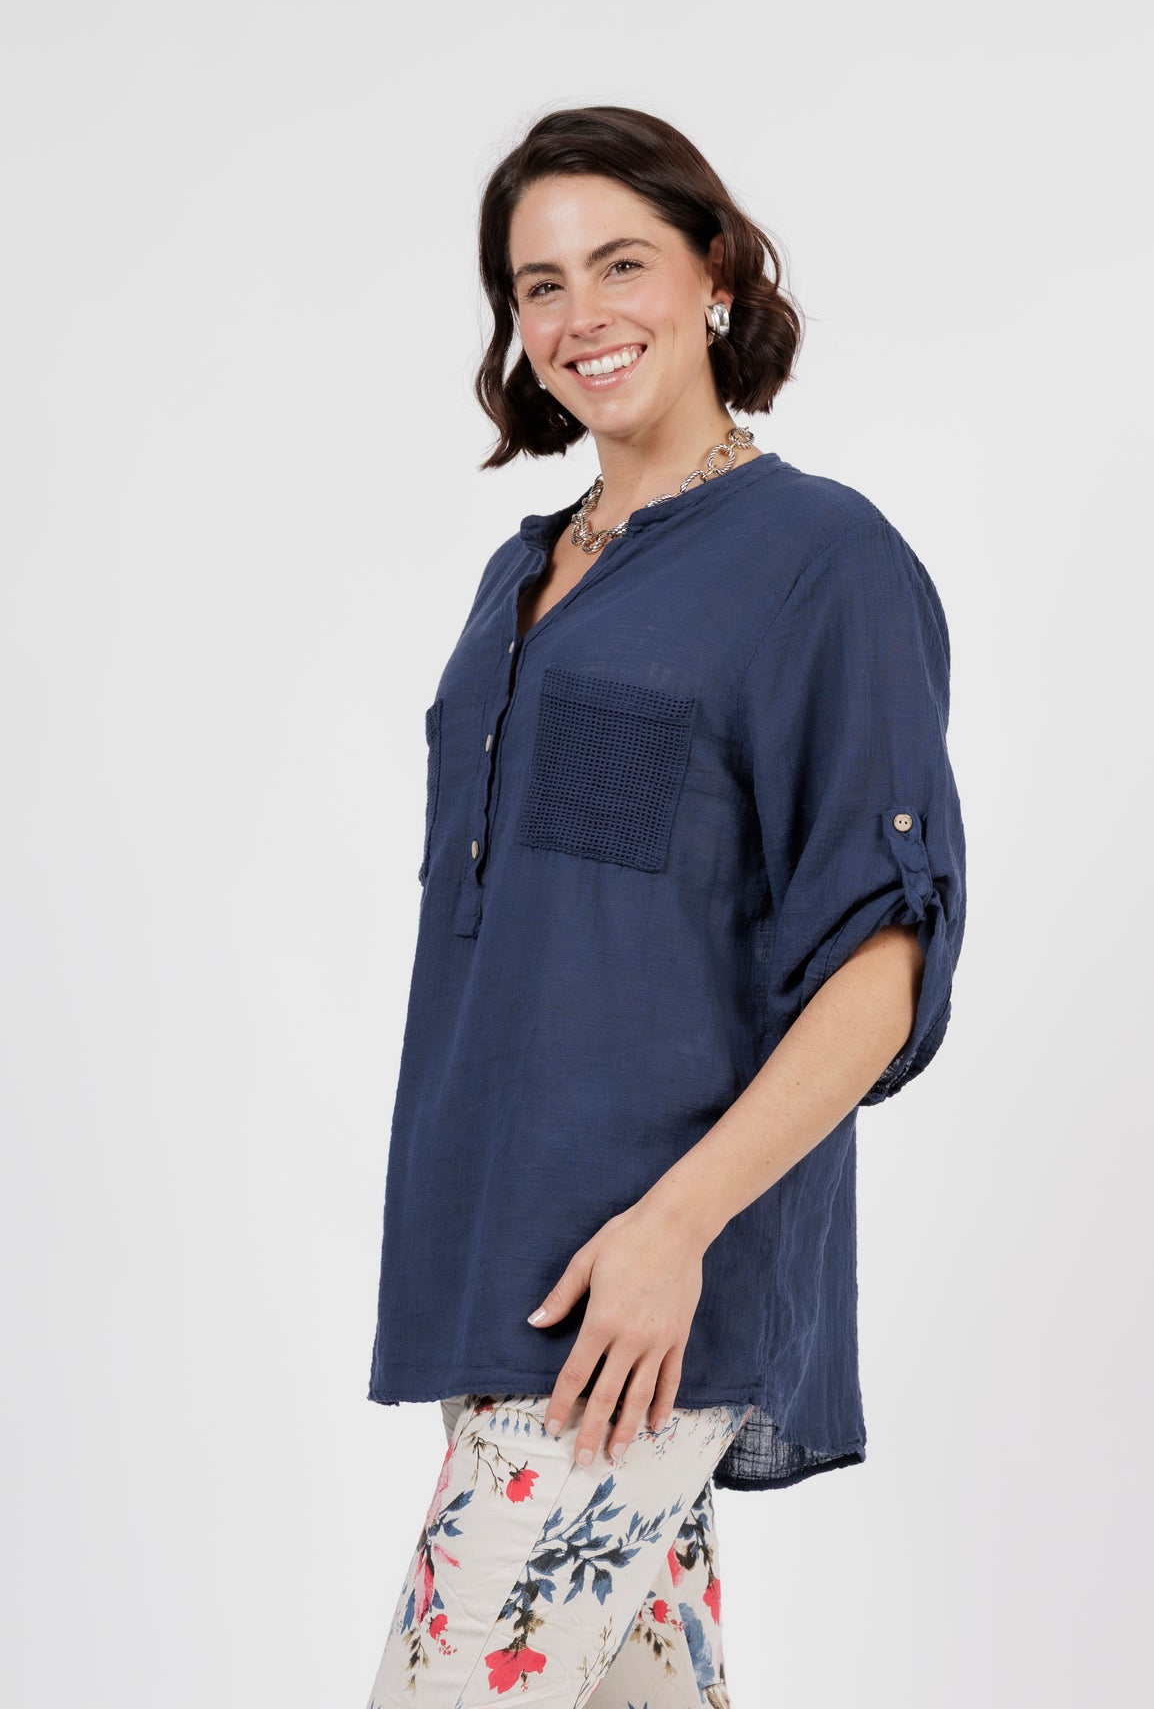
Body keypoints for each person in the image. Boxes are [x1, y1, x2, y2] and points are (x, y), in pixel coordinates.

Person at [364, 104, 968, 1708]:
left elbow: (883, 960)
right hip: (500, 1263)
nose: (580, 314)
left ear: (715, 276)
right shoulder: (520, 577)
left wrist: (672, 1228)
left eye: (621, 263)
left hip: (642, 1282)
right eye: (539, 284)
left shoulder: (821, 560)